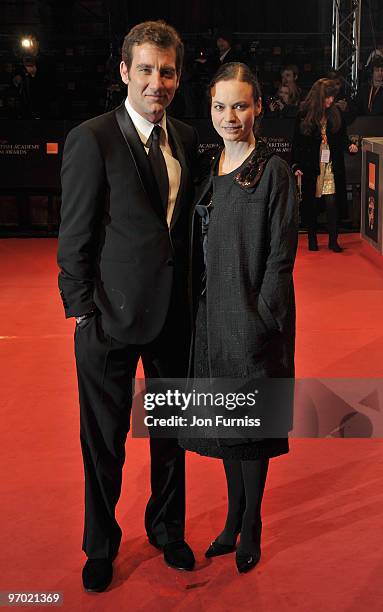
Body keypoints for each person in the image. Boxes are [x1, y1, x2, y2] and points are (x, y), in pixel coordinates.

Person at [57, 20, 198, 593]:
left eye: (166, 72)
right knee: (103, 445)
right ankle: (101, 544)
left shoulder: (187, 137)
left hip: (173, 319)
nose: (156, 82)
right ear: (124, 72)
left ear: (178, 76)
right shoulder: (92, 138)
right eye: (145, 69)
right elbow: (74, 237)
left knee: (171, 437)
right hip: (108, 323)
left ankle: (167, 530)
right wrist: (84, 312)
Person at [179, 62, 298, 573]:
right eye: (220, 107)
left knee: (253, 430)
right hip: (213, 319)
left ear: (258, 109)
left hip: (253, 321)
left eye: (241, 106)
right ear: (210, 110)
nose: (230, 117)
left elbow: (280, 257)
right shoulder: (212, 169)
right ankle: (232, 520)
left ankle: (252, 525)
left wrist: (263, 316)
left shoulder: (270, 171)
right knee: (230, 427)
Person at [292, 78, 358, 252]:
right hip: (311, 165)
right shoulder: (304, 113)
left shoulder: (335, 113)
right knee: (311, 203)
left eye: (332, 97)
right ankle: (312, 239)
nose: (330, 101)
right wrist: (296, 164)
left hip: (331, 165)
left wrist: (349, 145)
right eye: (327, 97)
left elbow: (342, 136)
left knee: (332, 202)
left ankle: (333, 240)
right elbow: (297, 142)